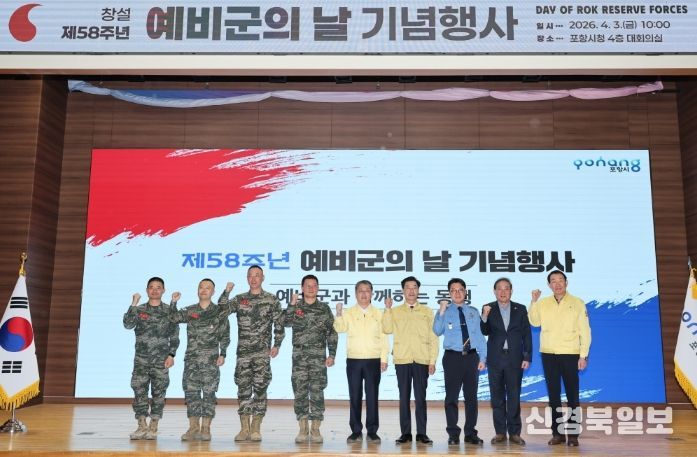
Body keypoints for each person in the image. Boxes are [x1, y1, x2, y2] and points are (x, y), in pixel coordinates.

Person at [217, 266, 285, 442]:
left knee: (260, 389)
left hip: (262, 353)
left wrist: (277, 344)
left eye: (257, 276)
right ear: (247, 278)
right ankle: (244, 428)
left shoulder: (271, 299)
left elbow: (279, 323)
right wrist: (226, 292)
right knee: (243, 390)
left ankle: (256, 427)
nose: (253, 279)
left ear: (263, 278)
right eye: (250, 276)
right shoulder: (240, 299)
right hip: (243, 354)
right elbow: (222, 310)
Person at [529, 270, 591, 447]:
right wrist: (534, 301)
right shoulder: (543, 303)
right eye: (553, 281)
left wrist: (583, 355)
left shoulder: (577, 303)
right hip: (548, 354)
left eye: (560, 280)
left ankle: (573, 435)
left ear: (566, 282)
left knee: (573, 396)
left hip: (570, 354)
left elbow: (585, 331)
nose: (557, 284)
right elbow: (534, 322)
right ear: (549, 285)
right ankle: (557, 434)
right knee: (553, 396)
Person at [171, 278, 230, 441]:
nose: (204, 290)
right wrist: (174, 302)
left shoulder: (219, 312)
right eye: (201, 287)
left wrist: (223, 353)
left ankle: (206, 428)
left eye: (207, 288)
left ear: (213, 292)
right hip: (192, 360)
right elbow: (173, 318)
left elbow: (225, 334)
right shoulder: (190, 310)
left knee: (209, 394)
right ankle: (193, 427)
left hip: (211, 361)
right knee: (191, 394)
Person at [382, 276, 439, 445]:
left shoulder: (427, 311)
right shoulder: (395, 311)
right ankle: (405, 433)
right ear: (403, 291)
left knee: (421, 398)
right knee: (404, 398)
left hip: (422, 360)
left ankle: (422, 433)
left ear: (418, 290)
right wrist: (387, 309)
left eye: (414, 287)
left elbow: (433, 337)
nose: (411, 290)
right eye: (408, 287)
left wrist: (432, 360)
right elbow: (387, 329)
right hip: (402, 360)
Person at [123, 276, 180, 440]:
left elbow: (174, 335)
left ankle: (154, 426)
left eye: (158, 287)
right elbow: (128, 324)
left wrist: (171, 355)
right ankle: (141, 426)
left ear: (163, 290)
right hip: (141, 360)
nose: (155, 290)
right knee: (139, 391)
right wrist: (133, 303)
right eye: (151, 287)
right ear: (147, 290)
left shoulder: (169, 310)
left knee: (159, 393)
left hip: (161, 361)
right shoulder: (139, 309)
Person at [333, 280, 390, 443]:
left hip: (373, 360)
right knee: (355, 396)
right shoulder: (349, 312)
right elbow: (340, 328)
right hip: (354, 361)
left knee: (372, 396)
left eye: (367, 291)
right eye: (360, 291)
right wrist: (338, 313)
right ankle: (356, 431)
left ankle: (372, 431)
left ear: (372, 293)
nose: (364, 294)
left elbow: (384, 337)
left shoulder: (379, 313)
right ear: (355, 294)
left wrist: (384, 358)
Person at [432, 278, 487, 446]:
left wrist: (483, 358)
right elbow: (437, 330)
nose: (457, 293)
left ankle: (470, 433)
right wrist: (441, 311)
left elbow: (479, 336)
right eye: (453, 290)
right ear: (449, 293)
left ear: (465, 292)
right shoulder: (444, 311)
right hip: (452, 358)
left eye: (460, 290)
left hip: (471, 357)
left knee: (471, 397)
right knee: (451, 397)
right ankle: (453, 434)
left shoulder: (473, 312)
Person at [284, 274, 338, 443]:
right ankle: (302, 428)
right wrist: (291, 305)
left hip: (318, 359)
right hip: (299, 359)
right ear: (302, 288)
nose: (311, 288)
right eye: (307, 285)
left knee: (317, 392)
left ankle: (315, 429)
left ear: (318, 288)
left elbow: (332, 333)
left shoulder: (324, 308)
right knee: (299, 392)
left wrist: (332, 354)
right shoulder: (296, 306)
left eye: (314, 285)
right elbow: (285, 322)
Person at [480, 277, 532, 445]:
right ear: (494, 291)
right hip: (495, 359)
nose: (503, 292)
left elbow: (527, 334)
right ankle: (500, 432)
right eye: (499, 289)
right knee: (497, 397)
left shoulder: (520, 309)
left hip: (515, 359)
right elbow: (484, 331)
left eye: (506, 288)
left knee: (514, 396)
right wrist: (484, 316)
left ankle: (515, 433)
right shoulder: (488, 308)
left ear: (511, 291)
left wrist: (527, 356)